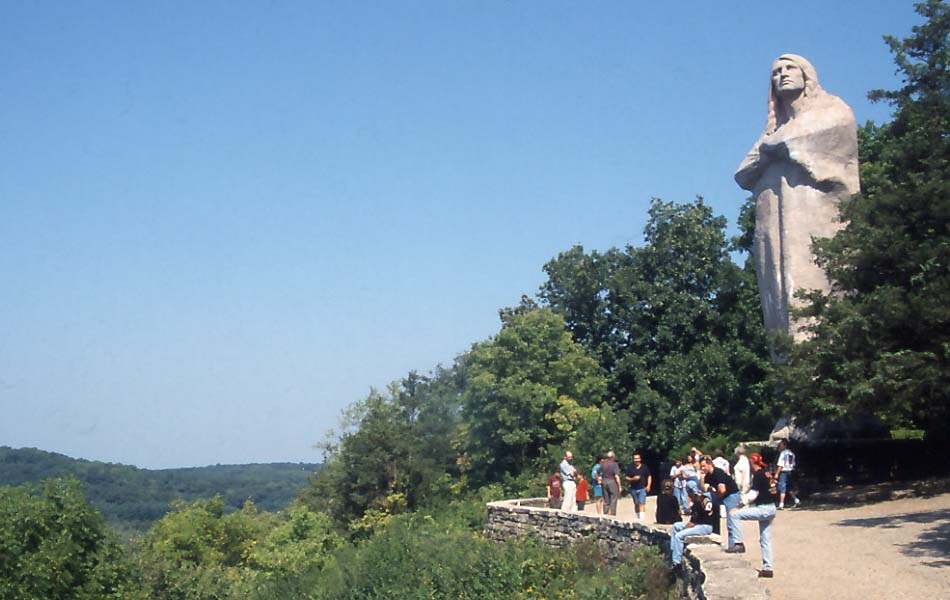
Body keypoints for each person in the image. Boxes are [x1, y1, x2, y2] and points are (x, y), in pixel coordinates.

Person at [735, 54, 860, 340]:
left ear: (807, 75)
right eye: (776, 72)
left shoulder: (831, 111)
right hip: (776, 225)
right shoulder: (773, 129)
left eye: (790, 68)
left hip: (816, 216)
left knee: (818, 289)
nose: (782, 74)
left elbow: (799, 140)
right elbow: (743, 172)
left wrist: (778, 147)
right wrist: (773, 148)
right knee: (781, 297)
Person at [731, 452, 779, 578]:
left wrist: (739, 505)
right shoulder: (767, 472)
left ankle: (738, 543)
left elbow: (753, 494)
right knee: (765, 538)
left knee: (735, 515)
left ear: (752, 462)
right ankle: (768, 568)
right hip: (772, 507)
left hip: (763, 508)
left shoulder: (758, 475)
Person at [670, 481, 716, 571]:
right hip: (699, 523)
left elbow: (691, 523)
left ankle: (676, 562)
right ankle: (673, 550)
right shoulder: (705, 498)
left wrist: (683, 529)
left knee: (679, 536)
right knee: (676, 526)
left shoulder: (698, 502)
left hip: (704, 526)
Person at [700, 455, 742, 552]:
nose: (702, 468)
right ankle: (713, 530)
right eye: (701, 466)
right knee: (704, 497)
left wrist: (714, 493)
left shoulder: (718, 473)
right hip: (721, 495)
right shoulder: (708, 476)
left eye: (704, 466)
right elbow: (703, 489)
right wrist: (701, 477)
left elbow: (722, 490)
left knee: (731, 521)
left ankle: (735, 544)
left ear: (710, 464)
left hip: (731, 495)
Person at [624, 453, 652, 520]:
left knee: (641, 503)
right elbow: (626, 477)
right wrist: (632, 479)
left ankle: (642, 519)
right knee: (636, 504)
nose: (636, 460)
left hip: (642, 488)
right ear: (633, 459)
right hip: (633, 489)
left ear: (640, 459)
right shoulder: (630, 467)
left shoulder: (644, 467)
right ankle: (638, 518)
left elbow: (649, 476)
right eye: (635, 459)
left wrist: (648, 486)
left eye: (638, 458)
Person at [775, 439, 800, 509]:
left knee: (782, 487)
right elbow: (793, 464)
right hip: (790, 470)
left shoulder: (783, 453)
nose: (779, 446)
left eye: (780, 445)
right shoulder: (791, 453)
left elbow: (781, 465)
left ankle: (781, 504)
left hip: (784, 471)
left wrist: (777, 473)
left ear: (784, 445)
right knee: (789, 488)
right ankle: (796, 499)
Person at [601, 451, 622, 516]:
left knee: (606, 499)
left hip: (604, 481)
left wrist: (598, 479)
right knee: (613, 499)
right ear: (613, 457)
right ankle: (612, 514)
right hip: (612, 481)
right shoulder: (614, 464)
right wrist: (619, 486)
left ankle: (605, 513)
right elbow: (616, 476)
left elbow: (596, 472)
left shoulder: (603, 464)